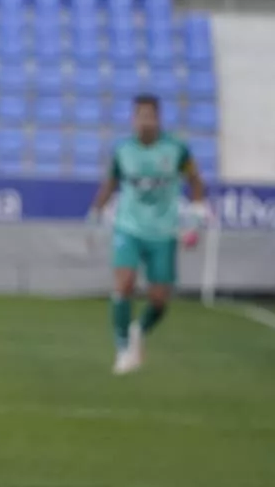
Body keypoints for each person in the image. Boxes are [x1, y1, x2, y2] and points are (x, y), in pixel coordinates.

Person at [87, 94, 209, 375]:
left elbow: (196, 181)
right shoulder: (122, 150)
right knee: (124, 283)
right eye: (140, 116)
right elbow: (110, 183)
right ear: (133, 119)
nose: (145, 122)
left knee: (159, 299)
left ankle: (138, 330)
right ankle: (122, 349)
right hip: (128, 228)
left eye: (150, 116)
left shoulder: (177, 150)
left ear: (158, 118)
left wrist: (196, 216)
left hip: (164, 232)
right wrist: (94, 214)